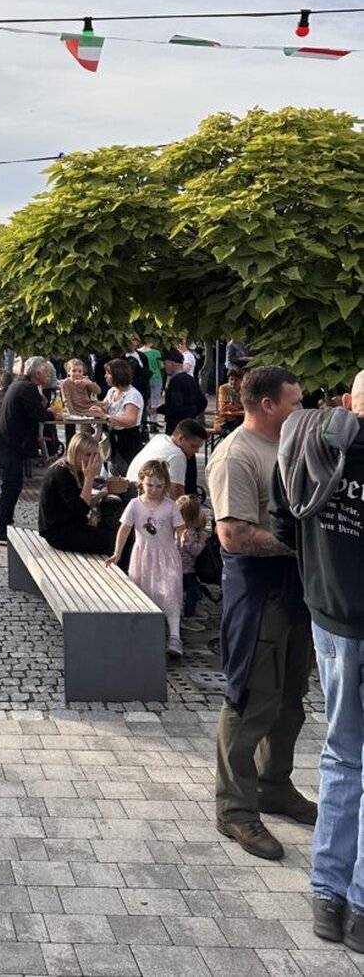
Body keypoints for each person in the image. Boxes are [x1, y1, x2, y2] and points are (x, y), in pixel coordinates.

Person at [270, 370, 364, 946]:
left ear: (351, 401)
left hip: (329, 613)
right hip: (336, 616)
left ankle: (327, 896)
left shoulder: (306, 439)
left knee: (341, 755)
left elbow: (284, 520)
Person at [207, 365, 312, 861]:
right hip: (258, 594)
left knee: (290, 701)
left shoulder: (289, 445)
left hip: (294, 592)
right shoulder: (236, 455)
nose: (302, 408)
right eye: (295, 401)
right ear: (268, 405)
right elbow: (233, 535)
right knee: (251, 701)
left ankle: (274, 786)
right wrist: (305, 547)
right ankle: (234, 808)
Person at [108, 459, 185, 658]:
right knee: (143, 591)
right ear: (141, 481)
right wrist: (117, 552)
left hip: (167, 555)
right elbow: (124, 529)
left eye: (159, 486)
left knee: (170, 591)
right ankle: (144, 632)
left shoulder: (170, 506)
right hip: (143, 556)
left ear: (165, 485)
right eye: (150, 484)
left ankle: (175, 635)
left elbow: (180, 527)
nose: (154, 489)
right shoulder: (135, 505)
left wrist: (183, 536)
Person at [0, 357, 54, 543]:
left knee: (12, 485)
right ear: (38, 373)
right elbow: (39, 415)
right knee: (11, 486)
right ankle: (3, 531)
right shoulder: (27, 388)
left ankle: (7, 524)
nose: (49, 375)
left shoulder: (20, 384)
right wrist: (50, 412)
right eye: (46, 372)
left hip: (8, 442)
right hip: (10, 444)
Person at [38, 435, 119, 554]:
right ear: (75, 453)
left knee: (115, 532)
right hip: (58, 532)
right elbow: (80, 510)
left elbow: (80, 503)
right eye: (87, 455)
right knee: (115, 540)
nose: (92, 459)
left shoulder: (73, 469)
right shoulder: (62, 473)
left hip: (68, 525)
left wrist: (100, 495)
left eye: (95, 455)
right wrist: (89, 478)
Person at [126, 419, 208, 499]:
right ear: (181, 439)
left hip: (130, 488)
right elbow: (177, 496)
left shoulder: (160, 438)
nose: (196, 451)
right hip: (142, 495)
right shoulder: (177, 455)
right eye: (193, 446)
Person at [91, 358, 144, 476]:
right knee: (109, 472)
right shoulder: (112, 391)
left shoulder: (132, 395)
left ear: (117, 375)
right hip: (112, 440)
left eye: (108, 373)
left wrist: (106, 417)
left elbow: (131, 420)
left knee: (125, 474)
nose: (105, 376)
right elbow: (105, 405)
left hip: (127, 440)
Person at [177, 494, 210, 620]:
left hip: (180, 567)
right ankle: (188, 613)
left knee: (189, 590)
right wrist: (202, 541)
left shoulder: (179, 529)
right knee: (193, 592)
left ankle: (190, 610)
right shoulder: (188, 533)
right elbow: (194, 551)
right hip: (185, 569)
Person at [162, 349, 208, 434]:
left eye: (165, 363)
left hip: (176, 425)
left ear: (172, 363)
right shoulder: (191, 379)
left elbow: (175, 405)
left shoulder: (175, 381)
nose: (164, 367)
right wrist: (192, 413)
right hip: (189, 423)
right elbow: (203, 402)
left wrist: (160, 410)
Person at [214, 368, 246, 437]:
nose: (233, 382)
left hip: (240, 420)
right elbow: (223, 407)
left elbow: (248, 406)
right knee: (231, 434)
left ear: (241, 381)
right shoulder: (224, 388)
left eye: (236, 380)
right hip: (224, 420)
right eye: (231, 379)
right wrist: (240, 407)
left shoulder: (245, 390)